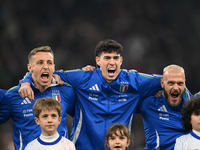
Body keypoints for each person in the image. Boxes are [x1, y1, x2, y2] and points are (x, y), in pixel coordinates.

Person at [19, 39, 163, 150]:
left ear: (121, 61)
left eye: (115, 58)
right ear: (98, 61)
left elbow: (169, 80)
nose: (111, 62)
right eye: (107, 58)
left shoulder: (134, 81)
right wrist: (25, 82)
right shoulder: (84, 78)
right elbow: (46, 71)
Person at [0, 46, 75, 150]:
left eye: (49, 63)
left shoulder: (65, 91)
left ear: (53, 67)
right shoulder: (14, 95)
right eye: (40, 63)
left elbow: (82, 116)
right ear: (30, 68)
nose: (45, 67)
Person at [137, 64, 191, 150]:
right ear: (162, 83)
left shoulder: (192, 107)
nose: (176, 88)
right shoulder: (149, 104)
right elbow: (124, 102)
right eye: (171, 83)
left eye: (180, 83)